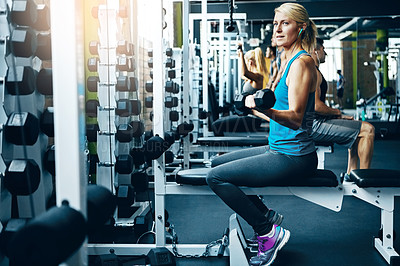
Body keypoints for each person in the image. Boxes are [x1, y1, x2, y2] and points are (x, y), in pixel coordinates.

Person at [206, 3, 318, 265]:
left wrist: (265, 107)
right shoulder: (286, 61)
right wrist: (250, 109)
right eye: (276, 23)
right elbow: (275, 110)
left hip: (295, 156)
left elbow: (296, 119)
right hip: (277, 148)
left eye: (285, 23)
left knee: (216, 177)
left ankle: (267, 231)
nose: (277, 29)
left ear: (300, 28)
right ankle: (266, 215)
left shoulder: (302, 63)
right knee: (216, 163)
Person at [311, 38, 375, 181]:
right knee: (368, 130)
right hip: (314, 125)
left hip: (315, 121)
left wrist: (337, 116)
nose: (325, 53)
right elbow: (316, 106)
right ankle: (366, 179)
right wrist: (337, 113)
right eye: (323, 49)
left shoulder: (313, 71)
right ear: (316, 50)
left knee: (355, 125)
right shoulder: (313, 72)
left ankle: (351, 174)